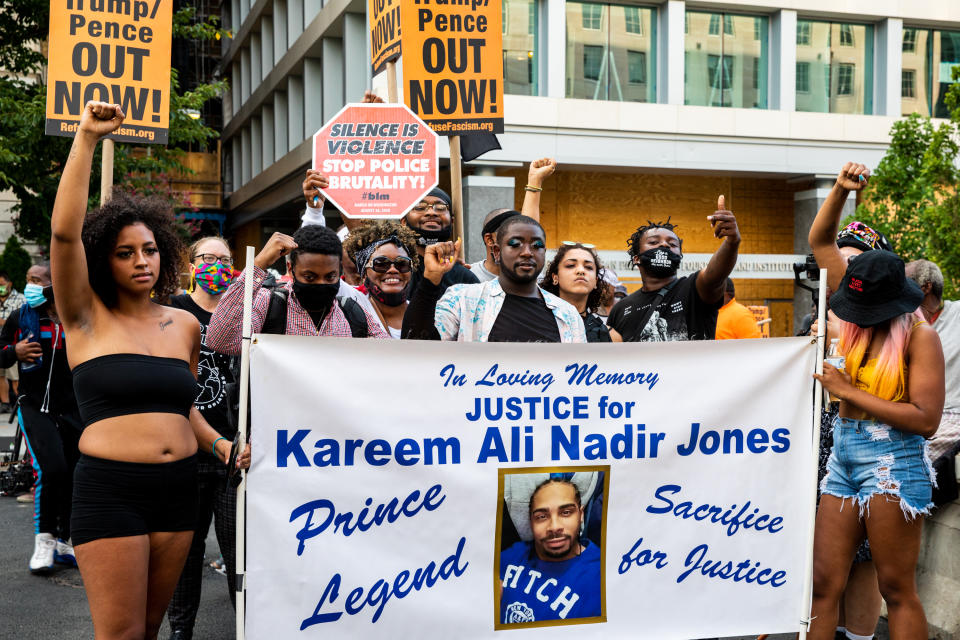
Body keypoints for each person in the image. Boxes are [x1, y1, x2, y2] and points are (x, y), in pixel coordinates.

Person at [49, 101, 249, 640]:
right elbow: (65, 235)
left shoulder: (183, 324)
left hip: (177, 489)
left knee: (151, 630)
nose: (143, 261)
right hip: (110, 489)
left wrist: (221, 447)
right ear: (102, 260)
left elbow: (182, 408)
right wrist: (86, 138)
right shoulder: (85, 316)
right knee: (120, 635)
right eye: (125, 253)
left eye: (151, 250)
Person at [807, 162, 944, 640]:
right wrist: (841, 190)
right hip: (842, 454)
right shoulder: (853, 295)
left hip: (894, 458)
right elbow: (821, 240)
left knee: (896, 587)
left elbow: (926, 419)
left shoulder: (920, 337)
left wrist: (848, 392)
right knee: (823, 584)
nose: (858, 316)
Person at [807, 216, 893, 640]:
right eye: (840, 261)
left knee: (865, 555)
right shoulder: (819, 316)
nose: (846, 269)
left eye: (856, 261)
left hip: (871, 439)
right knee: (825, 557)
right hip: (820, 439)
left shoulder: (897, 322)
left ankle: (858, 636)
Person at [165, 237, 241, 640]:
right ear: (191, 264)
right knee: (184, 552)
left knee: (239, 551)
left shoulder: (245, 309)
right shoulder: (174, 310)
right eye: (208, 258)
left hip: (235, 452)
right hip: (186, 451)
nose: (217, 265)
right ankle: (181, 631)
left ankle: (246, 627)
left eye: (225, 259)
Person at [0, 263, 80, 573]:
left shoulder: (78, 315)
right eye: (28, 278)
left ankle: (65, 542)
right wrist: (13, 352)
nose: (30, 285)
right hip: (33, 406)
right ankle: (44, 540)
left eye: (37, 280)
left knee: (74, 472)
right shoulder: (23, 316)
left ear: (55, 282)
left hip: (73, 409)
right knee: (52, 469)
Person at [402, 215, 586, 343]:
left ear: (544, 253)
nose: (527, 252)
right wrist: (431, 278)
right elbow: (415, 342)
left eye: (537, 246)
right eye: (515, 244)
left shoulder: (567, 315)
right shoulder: (464, 299)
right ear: (497, 252)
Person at [207, 224, 389, 352]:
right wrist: (259, 264)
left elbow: (392, 358)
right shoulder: (267, 303)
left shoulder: (352, 312)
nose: (320, 284)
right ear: (290, 270)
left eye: (330, 276)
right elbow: (220, 340)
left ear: (339, 270)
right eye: (309, 277)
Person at [607, 197, 741, 342]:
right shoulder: (620, 309)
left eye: (672, 244)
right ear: (637, 258)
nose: (664, 245)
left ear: (679, 257)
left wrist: (732, 242)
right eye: (653, 242)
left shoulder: (694, 289)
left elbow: (715, 275)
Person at [499, 478, 601, 624]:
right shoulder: (514, 554)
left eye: (566, 513)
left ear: (581, 515)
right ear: (531, 521)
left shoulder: (601, 575)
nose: (554, 527)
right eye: (541, 516)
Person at [906, 259, 960, 469]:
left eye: (905, 283)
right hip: (911, 416)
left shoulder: (956, 314)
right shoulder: (898, 323)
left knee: (913, 455)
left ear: (926, 287)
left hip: (952, 415)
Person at [471, 158, 555, 282]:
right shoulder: (468, 279)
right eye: (513, 238)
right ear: (490, 240)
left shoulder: (536, 279)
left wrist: (535, 181)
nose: (526, 251)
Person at [342, 222, 420, 338]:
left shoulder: (424, 313)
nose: (393, 270)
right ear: (364, 274)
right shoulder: (356, 302)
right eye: (381, 264)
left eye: (402, 263)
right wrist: (315, 212)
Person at [541, 242, 618, 343]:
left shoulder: (611, 336)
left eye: (588, 267)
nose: (581, 271)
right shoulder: (536, 323)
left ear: (595, 281)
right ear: (555, 277)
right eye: (571, 265)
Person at [0, 270, 26, 413]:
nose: (0, 288)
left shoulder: (20, 299)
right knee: (1, 375)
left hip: (15, 343)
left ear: (9, 284)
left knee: (15, 377)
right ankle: (5, 403)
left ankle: (20, 402)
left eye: (2, 284)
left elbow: (23, 320)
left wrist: (3, 322)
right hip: (1, 344)